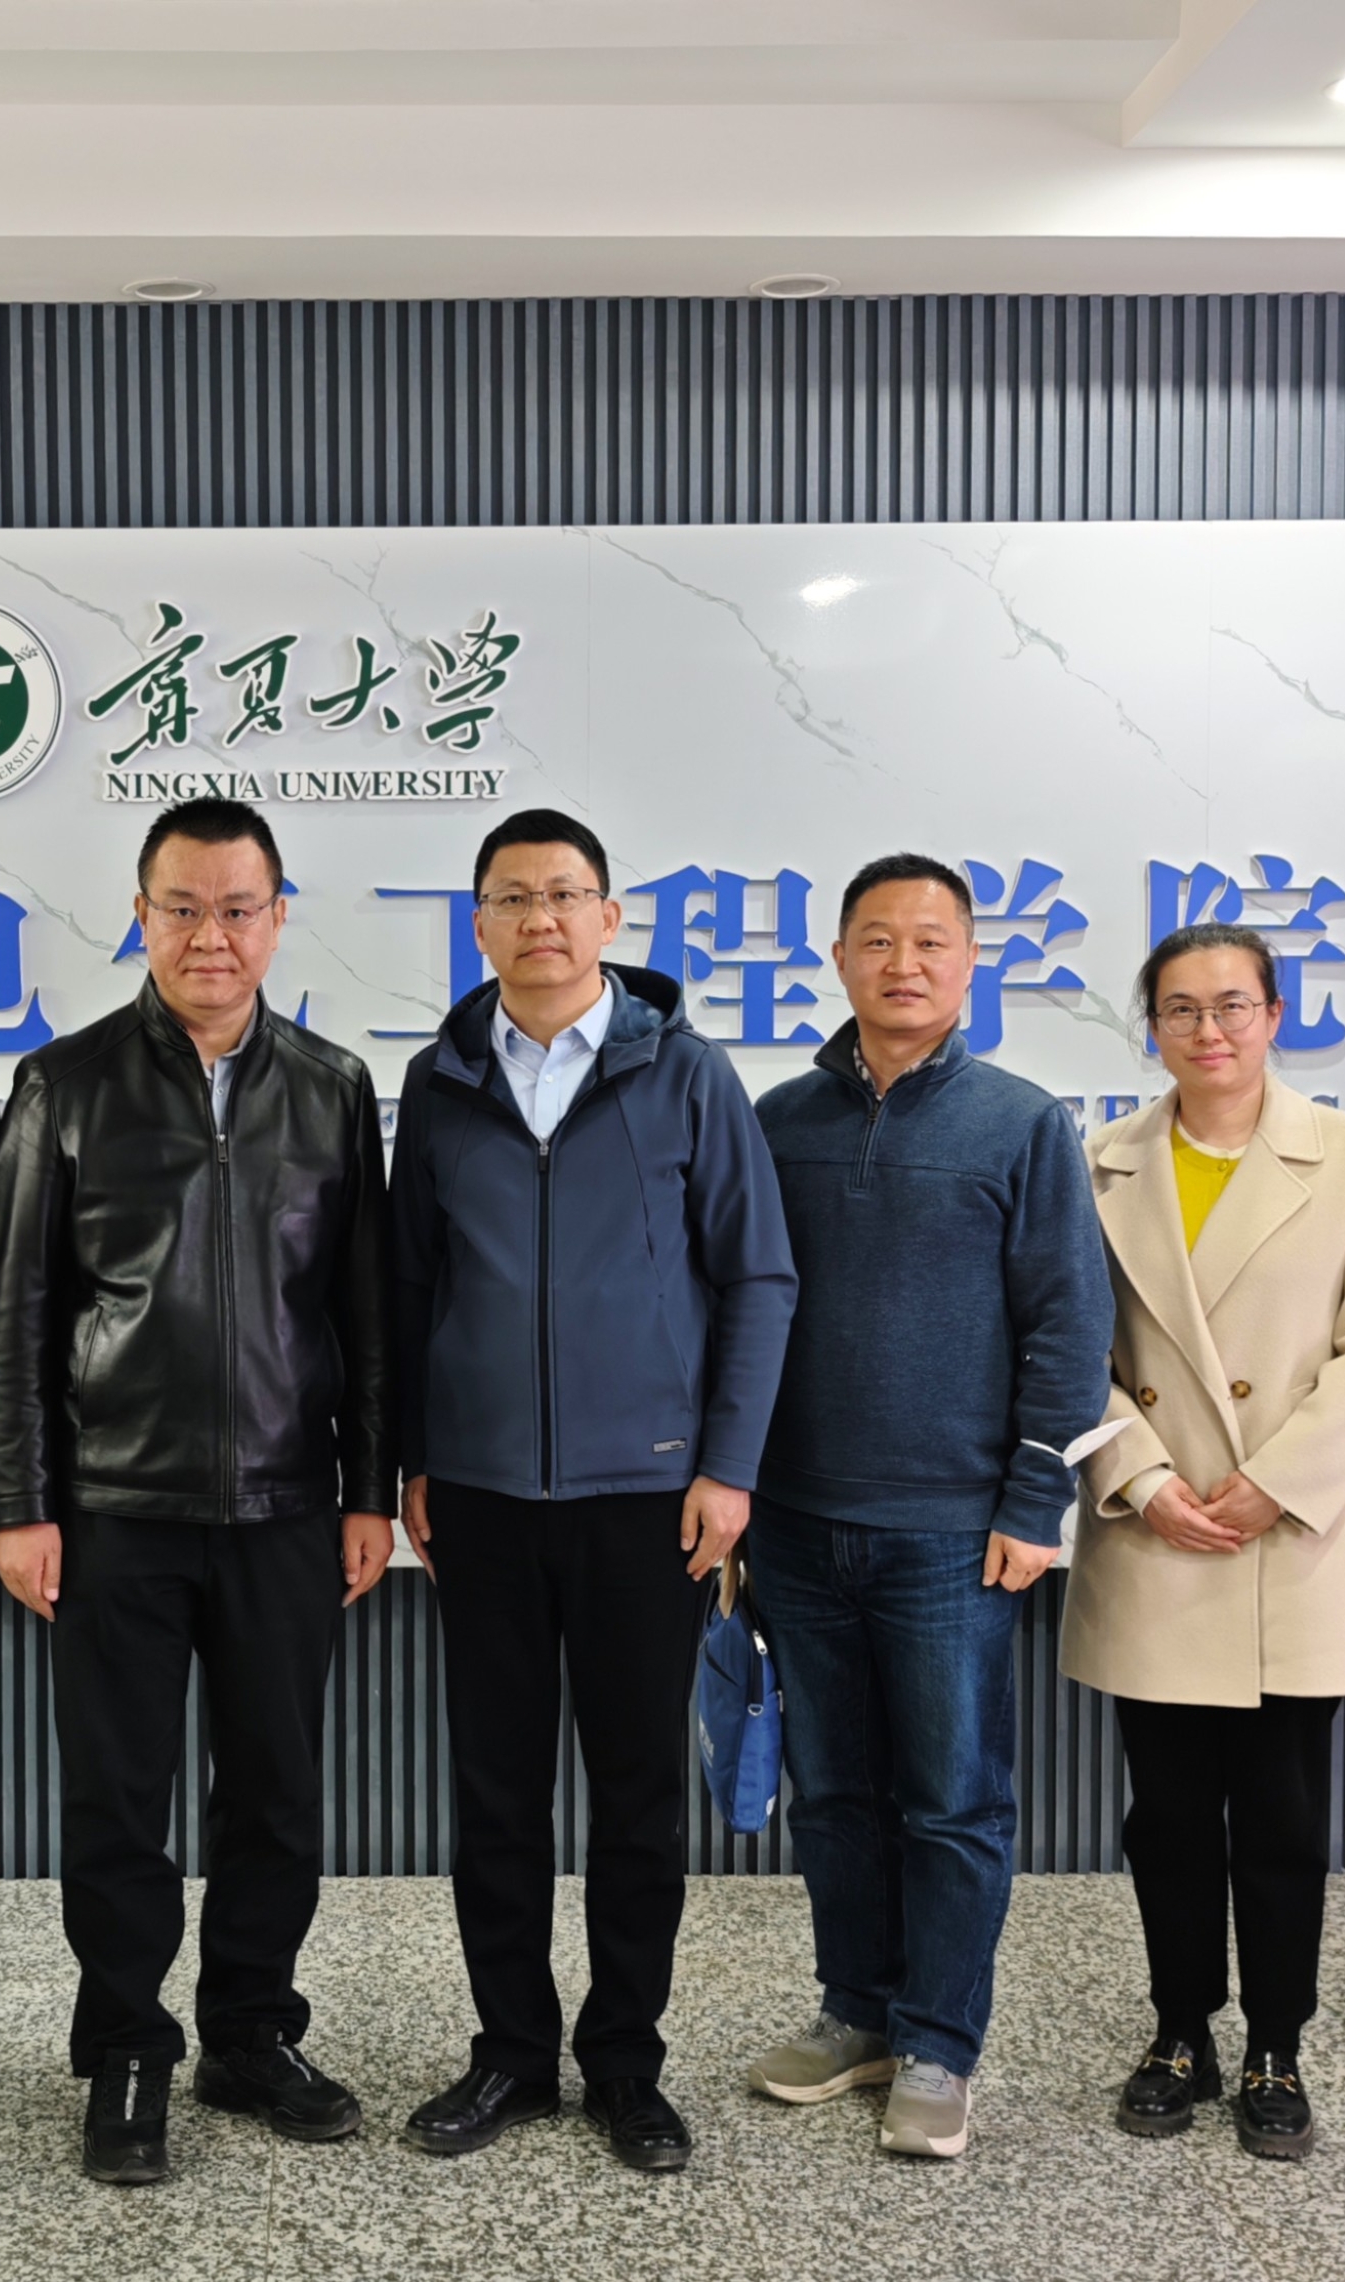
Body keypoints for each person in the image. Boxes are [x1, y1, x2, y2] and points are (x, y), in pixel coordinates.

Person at [0, 796, 396, 2187]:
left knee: (275, 1791)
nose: (210, 935)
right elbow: (15, 1312)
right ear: (140, 915)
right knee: (118, 1798)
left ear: (277, 917)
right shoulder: (65, 1082)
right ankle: (125, 2046)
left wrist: (367, 1485)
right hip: (115, 1507)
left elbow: (364, 1310)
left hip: (285, 1502)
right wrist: (21, 1501)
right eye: (182, 907)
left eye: (237, 908)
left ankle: (250, 2031)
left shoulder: (332, 1086)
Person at [385, 808, 797, 2174]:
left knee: (635, 1795)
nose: (542, 919)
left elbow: (757, 1275)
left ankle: (625, 2060)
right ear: (480, 925)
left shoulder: (686, 1073)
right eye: (514, 898)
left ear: (610, 918)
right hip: (484, 1495)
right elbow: (408, 1284)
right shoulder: (441, 1081)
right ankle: (510, 2049)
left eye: (566, 894)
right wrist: (415, 1458)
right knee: (495, 1791)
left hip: (648, 1495)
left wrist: (728, 1465)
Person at [741, 855, 1112, 2163]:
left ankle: (941, 2040)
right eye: (878, 939)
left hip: (953, 1530)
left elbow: (1069, 1324)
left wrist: (1034, 1496)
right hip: (794, 1521)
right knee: (834, 1791)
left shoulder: (1020, 1122)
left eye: (931, 941)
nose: (904, 963)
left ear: (969, 962)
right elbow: (734, 1309)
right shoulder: (776, 1120)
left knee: (952, 1796)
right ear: (838, 956)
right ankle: (858, 2010)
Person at [1063, 923, 1345, 2161]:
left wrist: (1276, 1480)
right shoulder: (1099, 1160)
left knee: (1281, 1818)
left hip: (1286, 1535)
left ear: (1274, 1014)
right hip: (1156, 1532)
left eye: (1231, 1004)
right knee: (1163, 1815)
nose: (1207, 1029)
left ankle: (1275, 2042)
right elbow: (1068, 1344)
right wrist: (1141, 1473)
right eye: (1179, 1008)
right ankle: (1178, 2030)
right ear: (1150, 1025)